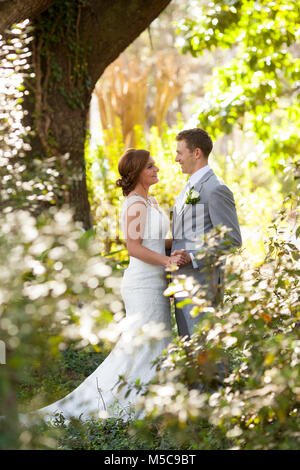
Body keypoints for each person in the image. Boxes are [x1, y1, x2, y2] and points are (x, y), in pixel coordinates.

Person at [21, 148, 180, 424]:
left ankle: (154, 400)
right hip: (141, 284)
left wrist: (181, 246)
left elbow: (153, 242)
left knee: (157, 341)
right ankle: (127, 404)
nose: (156, 170)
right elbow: (133, 248)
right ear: (137, 172)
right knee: (141, 344)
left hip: (156, 283)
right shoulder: (135, 204)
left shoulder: (150, 201)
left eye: (155, 166)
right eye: (150, 167)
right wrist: (169, 261)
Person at [167, 128, 242, 339]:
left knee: (208, 352)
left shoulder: (216, 189)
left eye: (180, 153)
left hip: (203, 285)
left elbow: (232, 239)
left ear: (196, 153)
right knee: (191, 353)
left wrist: (192, 257)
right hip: (182, 283)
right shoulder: (188, 188)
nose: (176, 159)